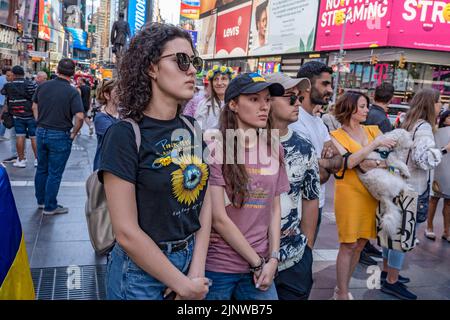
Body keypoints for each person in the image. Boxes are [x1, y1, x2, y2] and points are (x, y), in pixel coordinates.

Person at [99, 23, 211, 300]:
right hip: (138, 275)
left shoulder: (192, 126)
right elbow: (125, 232)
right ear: (151, 68)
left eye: (194, 61)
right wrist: (182, 284)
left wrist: (195, 270)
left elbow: (206, 201)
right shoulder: (124, 135)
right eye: (181, 61)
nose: (193, 70)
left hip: (188, 261)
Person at [204, 73, 288, 300]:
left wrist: (273, 259)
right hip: (219, 267)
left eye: (268, 99)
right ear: (233, 104)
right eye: (254, 99)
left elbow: (274, 208)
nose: (264, 107)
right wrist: (258, 262)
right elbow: (218, 218)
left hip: (261, 266)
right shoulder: (216, 147)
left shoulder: (274, 148)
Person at [330, 91, 397, 300]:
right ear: (350, 108)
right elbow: (348, 162)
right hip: (349, 193)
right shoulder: (336, 136)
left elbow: (388, 160)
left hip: (371, 194)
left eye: (366, 106)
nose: (367, 110)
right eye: (362, 106)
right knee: (348, 244)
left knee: (360, 244)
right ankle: (341, 292)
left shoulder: (373, 129)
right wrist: (374, 147)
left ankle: (343, 286)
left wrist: (369, 160)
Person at [379, 89, 443, 300]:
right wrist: (442, 151)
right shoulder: (424, 128)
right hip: (411, 189)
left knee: (392, 232)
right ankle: (392, 281)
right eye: (438, 102)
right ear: (429, 104)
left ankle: (387, 273)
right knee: (403, 236)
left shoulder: (408, 122)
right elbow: (423, 159)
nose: (440, 106)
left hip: (395, 184)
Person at [267, 72, 320, 300]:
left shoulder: (304, 146)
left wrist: (306, 248)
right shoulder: (242, 142)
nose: (298, 102)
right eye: (291, 97)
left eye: (299, 97)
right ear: (266, 100)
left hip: (294, 261)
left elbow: (310, 197)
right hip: (250, 261)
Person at [289, 61, 343, 244]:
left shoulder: (318, 122)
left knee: (307, 257)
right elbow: (315, 175)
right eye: (325, 84)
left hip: (317, 203)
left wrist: (323, 163)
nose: (330, 90)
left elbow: (338, 160)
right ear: (307, 86)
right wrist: (325, 164)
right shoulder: (295, 121)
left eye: (331, 85)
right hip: (297, 206)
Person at [32, 58, 85, 215]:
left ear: (57, 71)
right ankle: (50, 206)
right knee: (55, 172)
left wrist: (39, 121)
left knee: (42, 168)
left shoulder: (43, 86)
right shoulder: (72, 91)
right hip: (60, 134)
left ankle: (41, 201)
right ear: (73, 74)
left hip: (41, 131)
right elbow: (80, 116)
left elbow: (34, 106)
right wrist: (74, 133)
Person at [360, 82, 396, 266]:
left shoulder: (369, 113)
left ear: (374, 95)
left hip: (364, 163)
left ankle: (365, 245)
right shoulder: (382, 119)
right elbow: (386, 146)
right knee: (371, 208)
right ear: (390, 98)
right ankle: (362, 248)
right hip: (374, 165)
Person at [1, 66, 38, 168]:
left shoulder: (8, 86)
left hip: (17, 115)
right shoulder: (30, 84)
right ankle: (37, 159)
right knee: (34, 137)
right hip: (30, 115)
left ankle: (21, 160)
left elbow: (4, 94)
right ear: (23, 74)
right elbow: (36, 97)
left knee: (19, 136)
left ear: (14, 74)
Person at [425, 110, 450, 242]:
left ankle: (447, 230)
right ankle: (429, 227)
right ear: (444, 118)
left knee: (449, 202)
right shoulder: (435, 131)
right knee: (434, 199)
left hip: (449, 169)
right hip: (438, 168)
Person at [194, 65, 233, 131]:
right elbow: (197, 130)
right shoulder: (204, 104)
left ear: (230, 82)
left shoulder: (237, 104)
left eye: (223, 79)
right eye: (216, 79)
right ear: (212, 84)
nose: (219, 83)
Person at [93, 79, 119, 171]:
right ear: (107, 95)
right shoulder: (101, 118)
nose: (122, 94)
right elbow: (117, 137)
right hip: (105, 166)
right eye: (117, 91)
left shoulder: (123, 114)